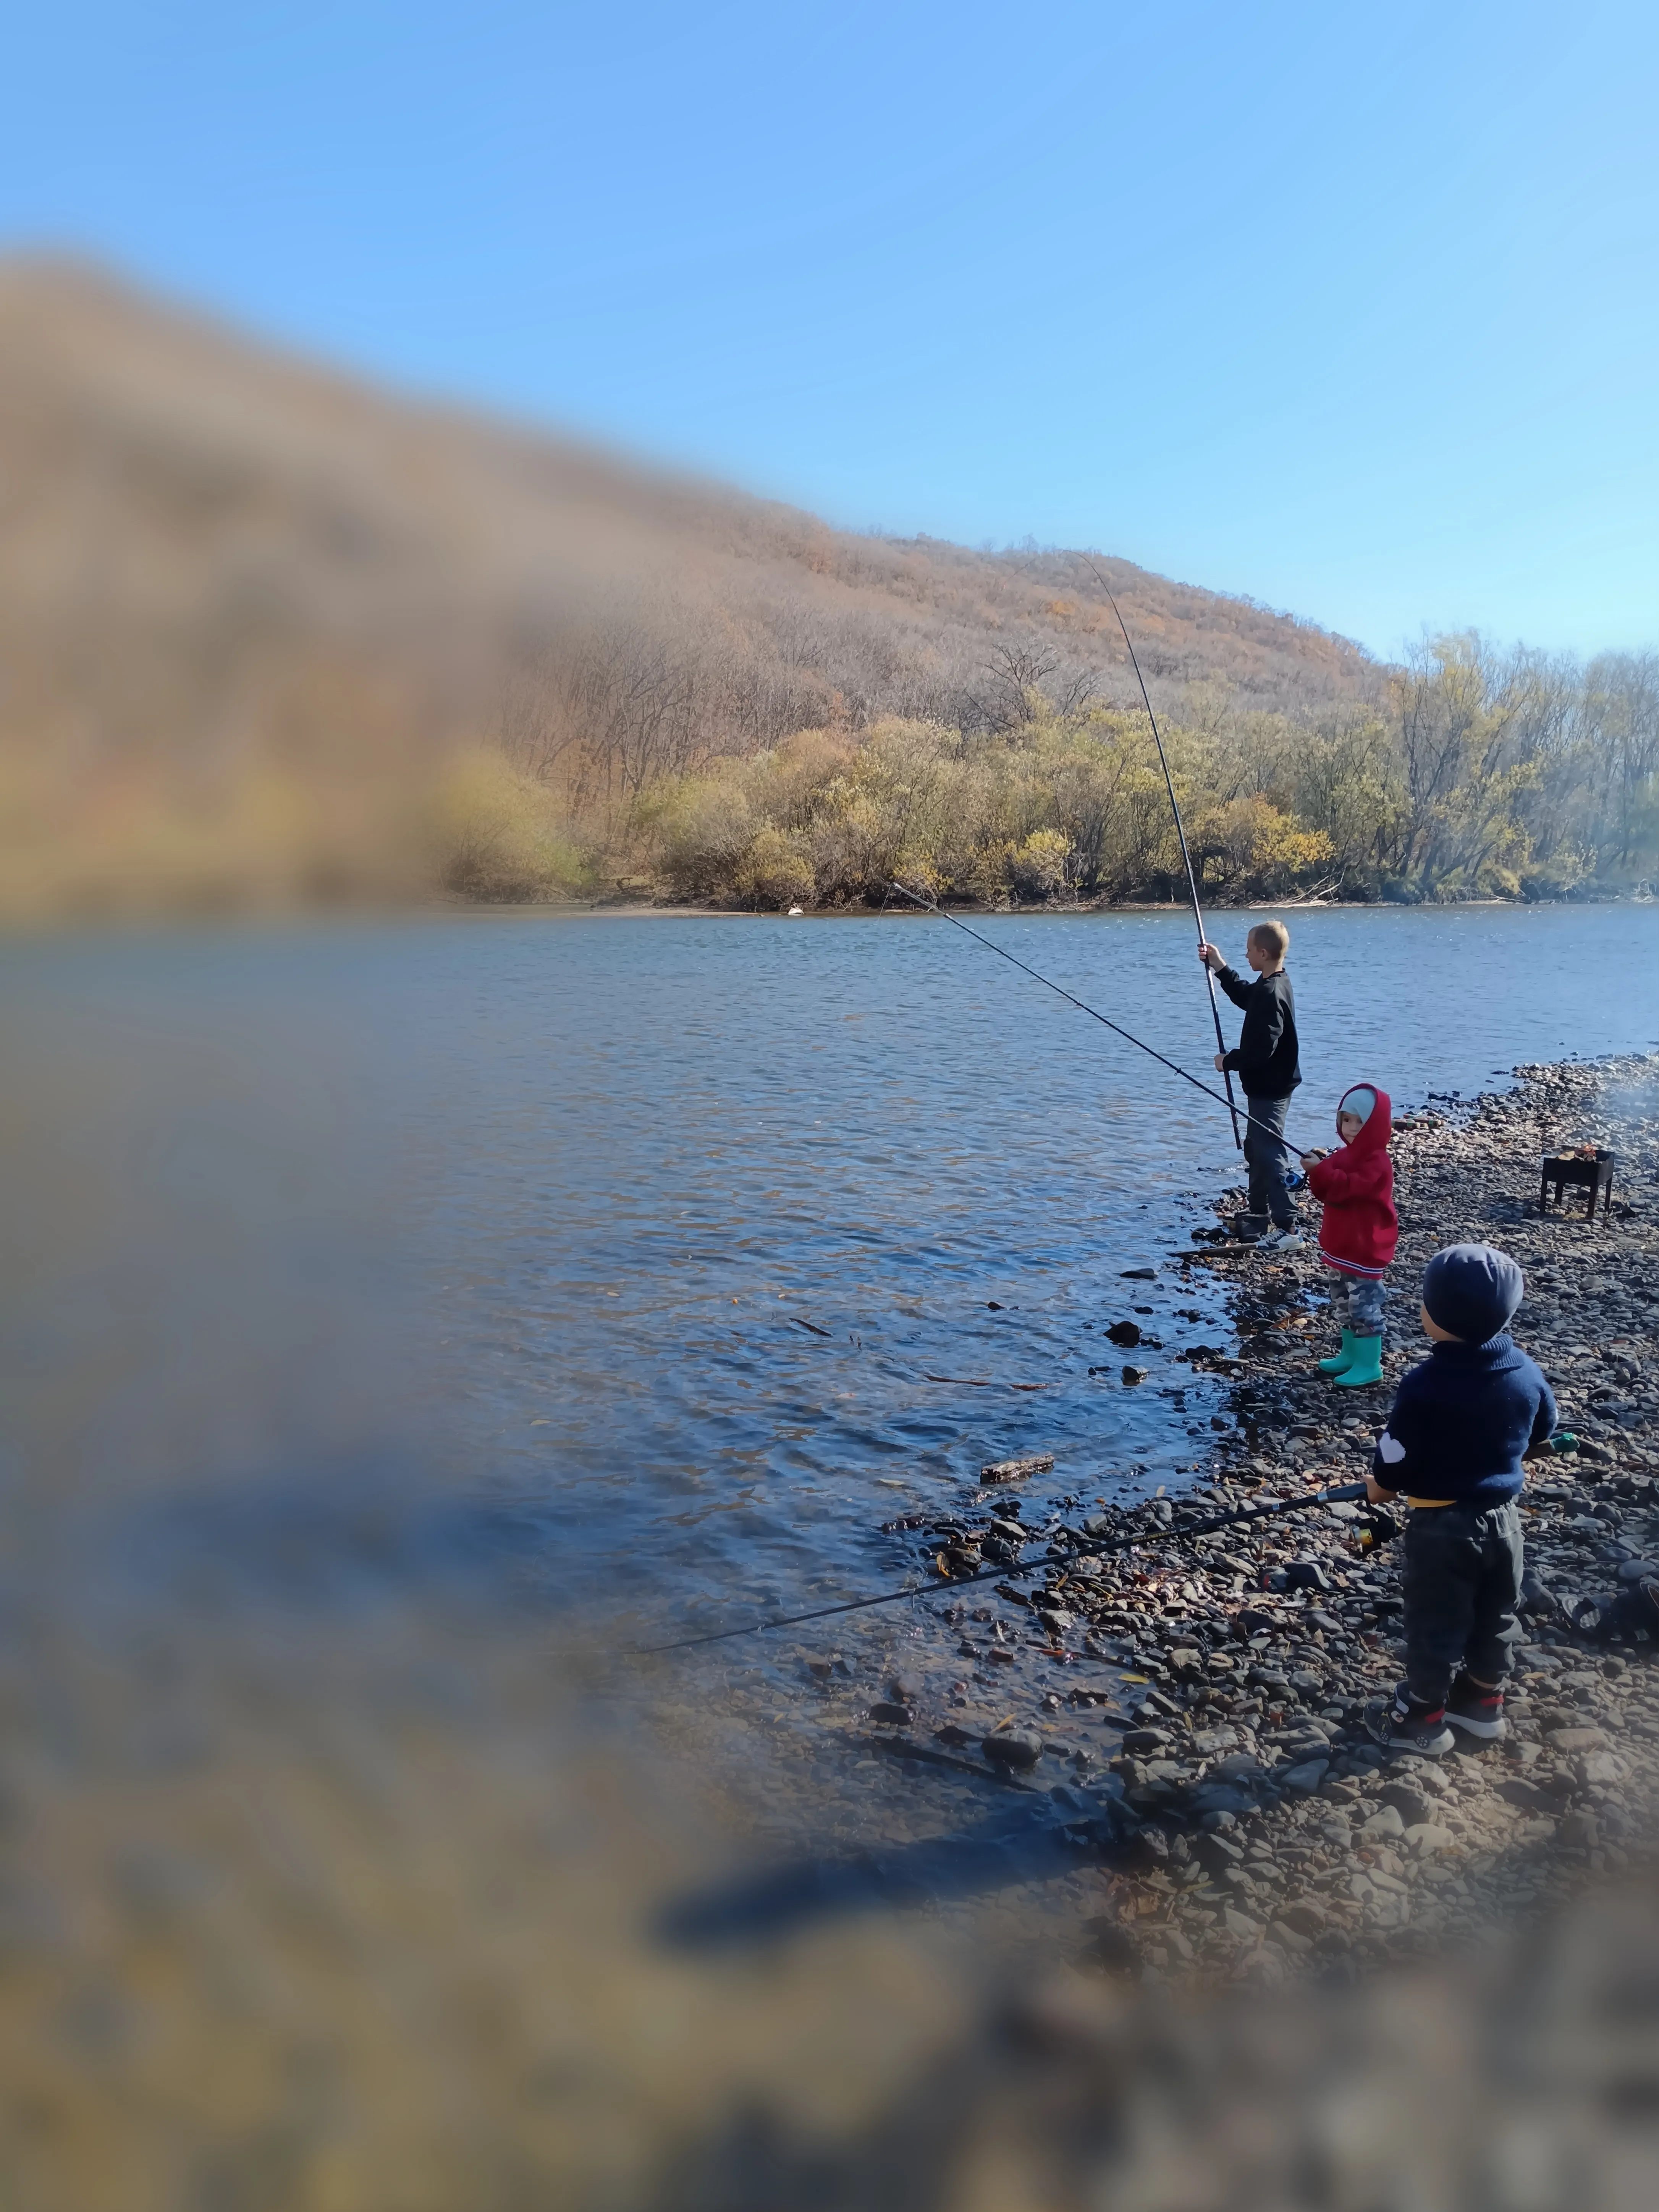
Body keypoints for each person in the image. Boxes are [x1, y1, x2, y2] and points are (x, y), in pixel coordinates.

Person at [1364, 1243, 1557, 1755]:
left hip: (1442, 1527)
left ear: (1437, 1315)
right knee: (1497, 1613)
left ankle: (1421, 1719)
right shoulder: (1526, 1372)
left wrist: (1377, 1489)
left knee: (1435, 1622)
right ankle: (1480, 1703)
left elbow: (1396, 1463)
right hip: (1504, 1523)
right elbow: (1543, 1429)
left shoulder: (1424, 1386)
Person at [1197, 922, 1301, 1250]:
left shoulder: (1272, 992)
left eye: (1248, 950)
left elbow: (1261, 1053)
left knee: (1271, 1152)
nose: (1245, 954)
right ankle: (1259, 1214)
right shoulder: (1272, 983)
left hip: (1272, 1088)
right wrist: (1219, 965)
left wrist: (1228, 1061)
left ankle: (1288, 1228)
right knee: (1256, 1148)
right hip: (1266, 1086)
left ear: (1264, 953)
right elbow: (1246, 997)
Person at [1302, 1084, 1397, 1389]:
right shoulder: (1345, 1155)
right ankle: (1350, 1354)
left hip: (1364, 1249)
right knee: (1342, 1303)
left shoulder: (1377, 1162)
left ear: (1376, 1124)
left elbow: (1349, 1189)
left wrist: (1323, 1172)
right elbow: (1325, 1190)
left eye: (1360, 1121)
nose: (1352, 1128)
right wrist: (1316, 1170)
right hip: (1340, 1247)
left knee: (1364, 1308)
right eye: (1347, 1120)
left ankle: (1369, 1365)